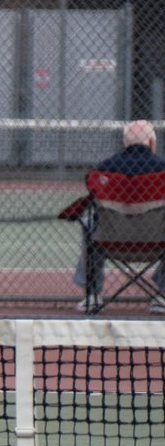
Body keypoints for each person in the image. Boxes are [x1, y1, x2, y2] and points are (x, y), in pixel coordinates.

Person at [73, 119, 165, 314]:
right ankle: (163, 295)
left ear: (125, 143)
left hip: (109, 242)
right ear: (151, 143)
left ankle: (93, 294)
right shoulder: (162, 169)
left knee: (90, 223)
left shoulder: (102, 169)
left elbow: (91, 201)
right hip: (157, 243)